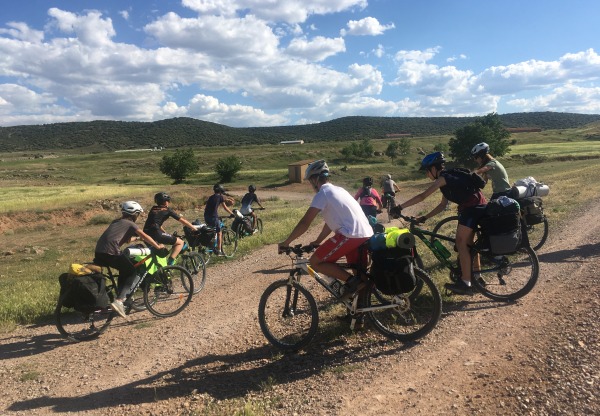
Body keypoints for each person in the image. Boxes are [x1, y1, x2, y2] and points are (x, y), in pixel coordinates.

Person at [391, 152, 487, 295]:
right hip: (477, 206)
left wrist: (400, 207)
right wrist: (425, 217)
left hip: (472, 209)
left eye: (426, 171)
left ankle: (465, 284)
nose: (426, 174)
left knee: (461, 243)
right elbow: (442, 205)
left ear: (433, 168)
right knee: (469, 245)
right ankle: (477, 279)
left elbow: (422, 196)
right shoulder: (450, 179)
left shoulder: (443, 178)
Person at [279, 160, 373, 300]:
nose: (311, 185)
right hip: (365, 234)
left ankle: (354, 283)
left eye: (311, 181)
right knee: (360, 275)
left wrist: (286, 242)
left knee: (316, 262)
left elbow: (305, 222)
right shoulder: (340, 190)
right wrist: (317, 241)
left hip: (350, 235)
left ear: (315, 179)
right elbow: (331, 223)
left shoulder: (323, 193)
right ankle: (358, 317)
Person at [94, 201, 166, 319]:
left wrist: (137, 238)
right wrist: (157, 246)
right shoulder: (131, 224)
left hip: (99, 253)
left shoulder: (116, 222)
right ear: (134, 214)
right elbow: (145, 236)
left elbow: (127, 240)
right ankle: (119, 301)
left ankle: (121, 295)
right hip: (111, 252)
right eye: (138, 214)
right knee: (132, 271)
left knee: (124, 269)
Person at [143, 192, 198, 265]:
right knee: (180, 243)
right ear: (165, 202)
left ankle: (160, 270)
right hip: (156, 233)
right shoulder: (167, 210)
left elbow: (156, 224)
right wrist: (194, 228)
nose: (168, 203)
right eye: (168, 201)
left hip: (146, 234)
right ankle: (170, 264)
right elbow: (182, 221)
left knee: (161, 251)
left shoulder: (153, 209)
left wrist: (165, 233)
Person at [204, 184, 235, 256]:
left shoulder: (211, 197)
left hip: (206, 217)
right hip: (213, 217)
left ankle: (212, 245)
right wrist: (232, 214)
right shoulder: (220, 197)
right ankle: (219, 250)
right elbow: (225, 207)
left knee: (212, 230)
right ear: (221, 191)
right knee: (219, 232)